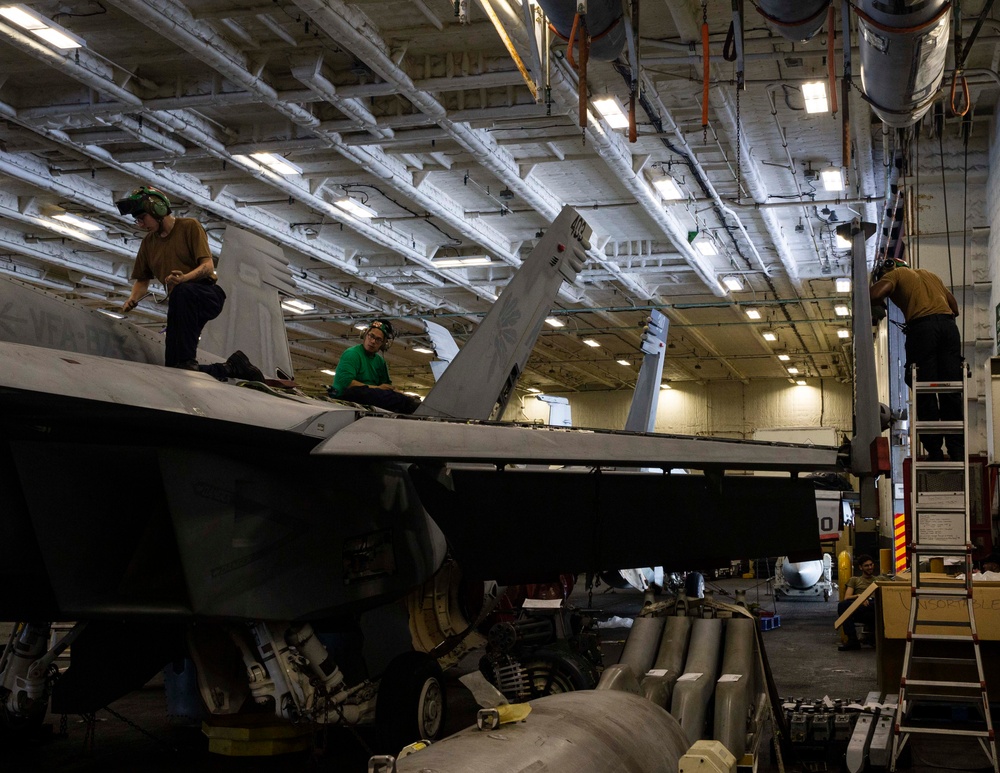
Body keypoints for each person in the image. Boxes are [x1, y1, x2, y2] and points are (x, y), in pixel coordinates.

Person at [115, 186, 263, 382]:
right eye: (137, 220)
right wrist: (133, 299)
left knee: (182, 292)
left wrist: (184, 278)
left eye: (142, 218)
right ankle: (232, 367)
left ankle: (209, 364)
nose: (140, 224)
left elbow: (208, 266)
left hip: (206, 294)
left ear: (157, 210)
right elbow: (143, 279)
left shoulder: (189, 226)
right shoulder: (148, 243)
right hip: (180, 302)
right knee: (176, 368)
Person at [869, 251, 963, 461]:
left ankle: (935, 451)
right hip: (949, 329)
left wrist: (878, 299)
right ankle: (957, 449)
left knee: (925, 388)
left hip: (923, 330)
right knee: (950, 389)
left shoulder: (894, 275)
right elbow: (954, 308)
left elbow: (874, 294)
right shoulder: (931, 275)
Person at [328, 319, 420, 414]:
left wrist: (405, 396)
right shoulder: (352, 354)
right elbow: (346, 383)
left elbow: (387, 388)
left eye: (378, 339)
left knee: (397, 398)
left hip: (371, 397)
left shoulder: (380, 362)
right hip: (347, 395)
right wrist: (377, 388)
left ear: (384, 344)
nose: (373, 341)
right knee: (361, 392)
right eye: (371, 336)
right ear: (364, 334)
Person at [836, 554, 883, 650]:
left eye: (871, 565)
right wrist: (859, 597)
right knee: (842, 605)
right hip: (860, 607)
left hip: (875, 606)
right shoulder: (855, 580)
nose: (870, 567)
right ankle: (852, 640)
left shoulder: (880, 579)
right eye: (866, 566)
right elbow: (847, 597)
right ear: (861, 567)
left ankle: (874, 638)